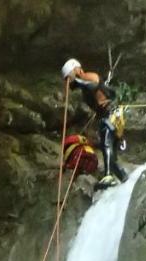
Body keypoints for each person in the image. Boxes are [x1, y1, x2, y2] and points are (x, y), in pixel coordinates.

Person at [61, 58, 127, 187]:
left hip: (111, 112)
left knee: (107, 142)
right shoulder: (84, 91)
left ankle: (108, 176)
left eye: (69, 76)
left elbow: (95, 84)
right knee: (107, 151)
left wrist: (77, 80)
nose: (69, 81)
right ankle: (122, 177)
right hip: (104, 116)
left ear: (76, 70)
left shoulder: (88, 76)